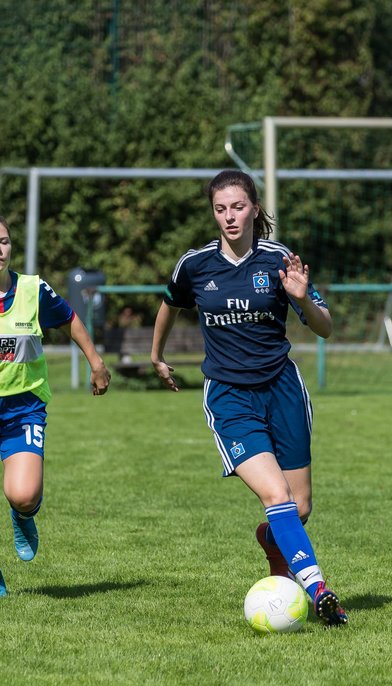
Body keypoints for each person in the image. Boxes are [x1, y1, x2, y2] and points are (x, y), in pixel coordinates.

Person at [151, 169, 347, 627]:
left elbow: (325, 326)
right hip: (230, 396)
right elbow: (169, 303)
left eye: (237, 207)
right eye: (220, 209)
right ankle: (318, 589)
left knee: (298, 508)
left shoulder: (280, 260)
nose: (229, 217)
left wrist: (305, 299)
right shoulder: (195, 265)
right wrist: (156, 355)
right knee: (275, 494)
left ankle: (274, 546)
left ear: (255, 208)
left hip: (282, 390)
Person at [0, 211, 111, 597]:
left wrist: (96, 363)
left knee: (24, 494)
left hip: (23, 408)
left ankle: (22, 514)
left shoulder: (32, 289)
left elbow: (70, 319)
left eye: (4, 241)